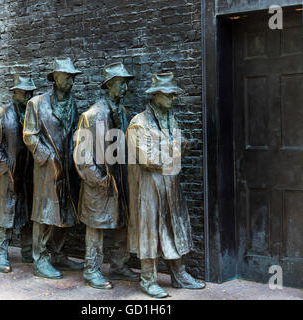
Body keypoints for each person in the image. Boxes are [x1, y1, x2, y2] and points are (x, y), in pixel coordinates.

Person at [126, 72, 206, 298]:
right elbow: (148, 159)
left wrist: (179, 147)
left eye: (174, 95)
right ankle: (148, 279)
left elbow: (178, 144)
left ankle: (179, 275)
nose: (174, 99)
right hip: (149, 188)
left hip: (170, 185)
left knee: (173, 228)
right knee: (149, 231)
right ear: (156, 95)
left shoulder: (171, 119)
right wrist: (178, 150)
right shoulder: (138, 123)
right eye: (169, 95)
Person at [74, 62, 140, 289]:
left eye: (126, 84)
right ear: (110, 85)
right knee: (96, 227)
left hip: (121, 181)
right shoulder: (92, 115)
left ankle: (119, 265)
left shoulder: (123, 113)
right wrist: (100, 180)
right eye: (121, 84)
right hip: (99, 185)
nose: (125, 88)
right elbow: (82, 156)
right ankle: (91, 270)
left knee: (123, 223)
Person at [23, 57, 84, 279]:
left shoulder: (72, 103)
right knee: (45, 214)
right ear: (55, 78)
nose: (70, 82)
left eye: (72, 78)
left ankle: (58, 254)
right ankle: (40, 259)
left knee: (67, 213)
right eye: (67, 77)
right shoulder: (36, 103)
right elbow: (29, 136)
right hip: (47, 170)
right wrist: (47, 157)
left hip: (68, 168)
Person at [0, 75, 37, 273]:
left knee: (26, 214)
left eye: (30, 92)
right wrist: (4, 170)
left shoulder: (31, 114)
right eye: (24, 92)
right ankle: (1, 253)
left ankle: (28, 251)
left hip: (27, 173)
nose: (28, 95)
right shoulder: (1, 114)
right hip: (7, 175)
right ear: (14, 92)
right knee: (5, 215)